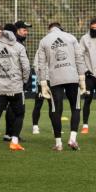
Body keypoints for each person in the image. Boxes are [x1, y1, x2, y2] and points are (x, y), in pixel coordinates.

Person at [36, 22, 86, 151]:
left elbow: (41, 64)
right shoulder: (71, 37)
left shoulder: (44, 41)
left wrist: (43, 82)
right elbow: (79, 58)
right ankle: (72, 139)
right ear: (61, 28)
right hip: (72, 77)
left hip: (55, 79)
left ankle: (58, 143)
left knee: (55, 110)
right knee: (75, 108)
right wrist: (82, 77)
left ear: (49, 29)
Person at [0, 25, 30, 152]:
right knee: (19, 114)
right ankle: (14, 141)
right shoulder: (19, 47)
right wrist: (24, 81)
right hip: (16, 87)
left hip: (0, 88)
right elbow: (26, 66)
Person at [3, 20, 32, 141]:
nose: (26, 32)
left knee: (11, 106)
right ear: (17, 31)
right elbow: (24, 66)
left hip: (8, 79)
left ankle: (8, 133)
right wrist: (25, 80)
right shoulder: (17, 44)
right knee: (17, 109)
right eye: (24, 30)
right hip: (16, 80)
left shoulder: (12, 43)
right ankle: (13, 134)